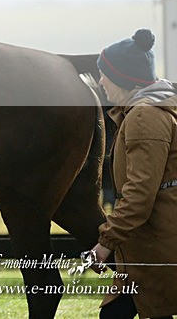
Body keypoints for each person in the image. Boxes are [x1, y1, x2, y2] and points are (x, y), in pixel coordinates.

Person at [89, 29, 177, 319]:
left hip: (157, 248)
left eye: (104, 74)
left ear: (121, 77)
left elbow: (139, 194)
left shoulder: (144, 116)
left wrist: (106, 242)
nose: (100, 81)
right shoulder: (154, 108)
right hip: (151, 246)